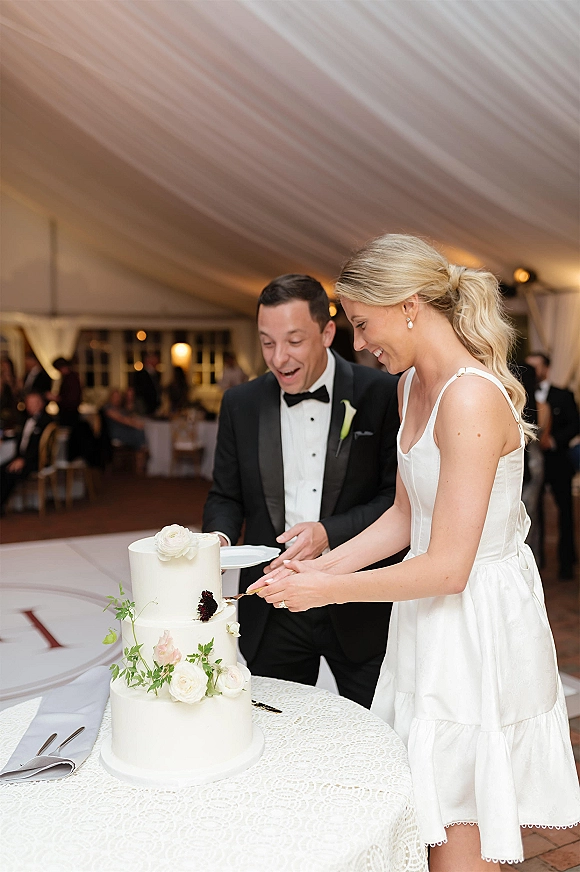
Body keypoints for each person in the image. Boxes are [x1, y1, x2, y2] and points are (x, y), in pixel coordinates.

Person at [251, 237, 580, 869]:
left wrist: (326, 590)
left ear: (407, 306)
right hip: (424, 613)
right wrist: (316, 565)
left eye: (361, 323)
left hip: (475, 622)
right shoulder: (407, 389)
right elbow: (404, 520)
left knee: (458, 837)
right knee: (427, 822)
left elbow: (452, 567)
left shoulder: (471, 396)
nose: (358, 342)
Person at [203, 274, 403, 709]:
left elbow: (396, 500)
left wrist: (329, 533)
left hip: (357, 602)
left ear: (327, 332)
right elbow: (226, 495)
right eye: (267, 342)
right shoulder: (241, 403)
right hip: (271, 604)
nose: (278, 358)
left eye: (293, 341)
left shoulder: (382, 394)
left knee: (376, 732)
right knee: (278, 733)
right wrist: (217, 542)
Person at [525, 351, 579, 580]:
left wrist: (554, 440)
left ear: (546, 368)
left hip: (556, 461)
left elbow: (575, 424)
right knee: (532, 513)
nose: (533, 371)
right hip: (532, 462)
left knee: (564, 512)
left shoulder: (563, 394)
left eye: (536, 367)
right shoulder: (521, 394)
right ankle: (538, 563)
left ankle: (567, 562)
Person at [0, 392, 53, 513]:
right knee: (2, 469)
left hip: (36, 460)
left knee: (10, 473)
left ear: (41, 404)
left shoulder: (46, 421)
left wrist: (23, 460)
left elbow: (38, 447)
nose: (30, 406)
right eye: (28, 403)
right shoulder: (25, 419)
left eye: (33, 403)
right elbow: (20, 436)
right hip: (21, 457)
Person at [48, 357, 82, 427]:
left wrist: (57, 399)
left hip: (69, 413)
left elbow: (72, 399)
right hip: (67, 412)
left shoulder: (71, 379)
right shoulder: (68, 377)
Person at [134, 352, 162, 416]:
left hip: (153, 404)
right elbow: (142, 391)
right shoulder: (141, 374)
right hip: (145, 404)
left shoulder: (156, 374)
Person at [0, 356, 22, 432]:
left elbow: (17, 394)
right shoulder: (1, 380)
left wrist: (10, 382)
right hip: (3, 406)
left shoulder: (16, 379)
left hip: (13, 407)